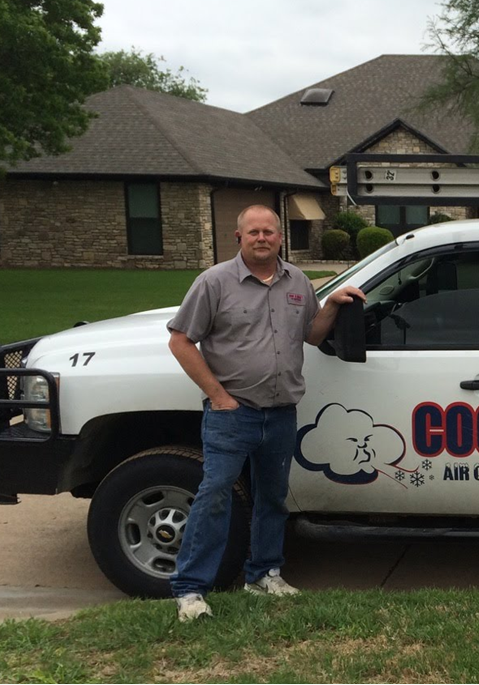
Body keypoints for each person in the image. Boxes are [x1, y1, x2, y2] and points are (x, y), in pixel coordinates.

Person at [166, 204, 364, 622]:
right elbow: (181, 341)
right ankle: (190, 589)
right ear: (239, 237)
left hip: (280, 413)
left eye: (269, 232)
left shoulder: (297, 283)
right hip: (232, 413)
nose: (262, 238)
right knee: (214, 496)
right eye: (253, 232)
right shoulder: (214, 282)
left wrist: (332, 304)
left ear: (280, 237)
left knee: (272, 498)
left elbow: (310, 334)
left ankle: (263, 575)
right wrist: (217, 395)